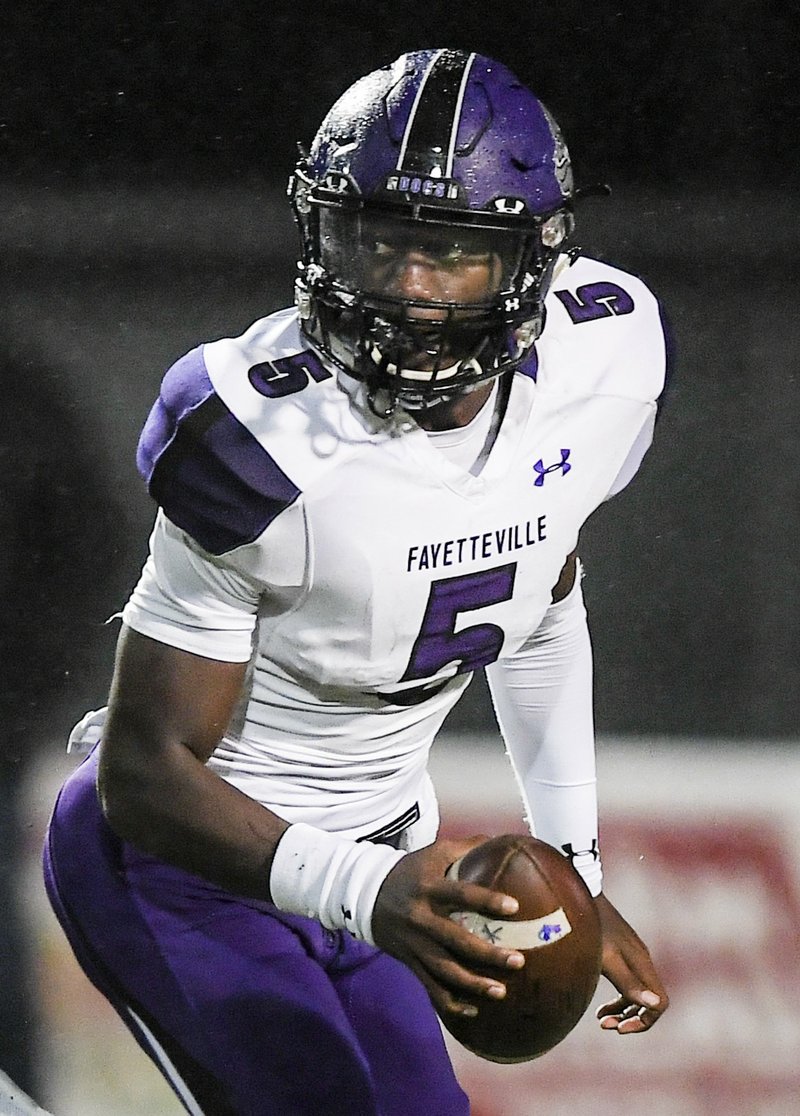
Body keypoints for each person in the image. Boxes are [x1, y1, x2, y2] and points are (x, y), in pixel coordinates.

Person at [43, 48, 670, 1116]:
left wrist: (576, 868)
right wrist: (362, 892)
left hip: (387, 863)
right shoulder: (256, 432)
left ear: (531, 260)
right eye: (378, 243)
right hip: (189, 872)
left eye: (449, 252)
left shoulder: (602, 361)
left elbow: (545, 611)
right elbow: (143, 774)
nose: (407, 288)